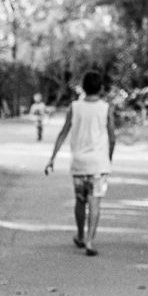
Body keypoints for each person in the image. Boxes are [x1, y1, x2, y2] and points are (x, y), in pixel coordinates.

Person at [45, 69, 115, 256]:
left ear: (83, 87)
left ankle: (80, 234)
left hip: (79, 164)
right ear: (100, 88)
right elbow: (112, 136)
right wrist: (109, 157)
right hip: (98, 164)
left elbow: (63, 133)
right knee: (95, 202)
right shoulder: (105, 108)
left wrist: (52, 158)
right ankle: (90, 241)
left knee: (80, 200)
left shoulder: (74, 107)